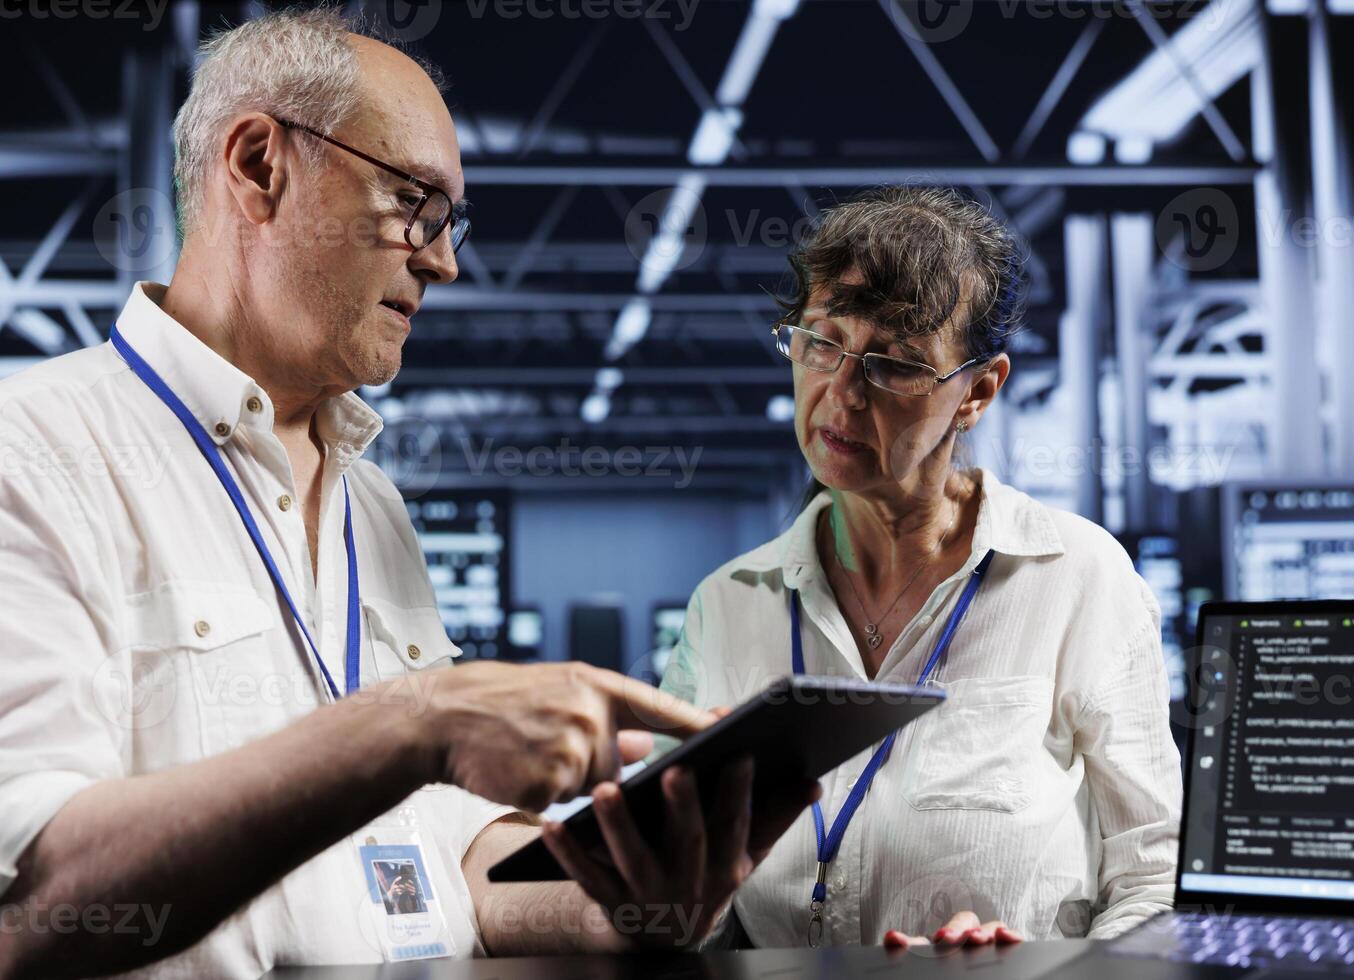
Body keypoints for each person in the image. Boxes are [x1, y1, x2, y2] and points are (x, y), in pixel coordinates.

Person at [0, 10, 812, 977]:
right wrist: (418, 721)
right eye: (413, 202)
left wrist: (618, 899)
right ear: (260, 165)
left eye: (449, 220)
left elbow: (452, 858)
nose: (443, 259)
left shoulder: (370, 503)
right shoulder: (37, 450)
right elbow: (34, 904)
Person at [658, 186, 1183, 951]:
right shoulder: (731, 605)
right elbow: (673, 888)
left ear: (977, 392)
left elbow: (1154, 874)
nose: (840, 394)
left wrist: (1055, 974)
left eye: (893, 366)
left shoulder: (1078, 580)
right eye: (821, 342)